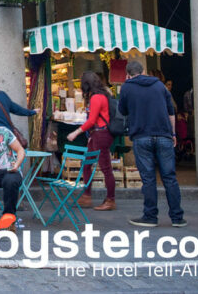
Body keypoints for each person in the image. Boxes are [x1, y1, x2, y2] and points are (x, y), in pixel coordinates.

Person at [118, 60, 185, 227]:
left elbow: (122, 111)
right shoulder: (160, 86)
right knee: (169, 177)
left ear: (128, 74)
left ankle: (150, 216)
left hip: (141, 136)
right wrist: (173, 133)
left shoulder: (126, 87)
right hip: (163, 135)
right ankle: (177, 218)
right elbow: (171, 113)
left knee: (148, 178)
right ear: (144, 72)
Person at [66, 71, 116, 211]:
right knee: (86, 163)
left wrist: (76, 132)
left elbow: (92, 120)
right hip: (97, 134)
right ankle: (86, 196)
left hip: (101, 134)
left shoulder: (96, 98)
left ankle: (110, 199)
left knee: (106, 168)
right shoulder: (102, 95)